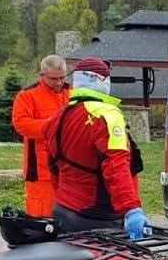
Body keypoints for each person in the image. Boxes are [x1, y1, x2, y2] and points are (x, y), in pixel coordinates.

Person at [44, 57, 149, 238]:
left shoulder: (55, 120)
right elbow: (116, 167)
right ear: (102, 80)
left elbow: (55, 169)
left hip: (63, 211)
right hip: (98, 218)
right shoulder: (107, 116)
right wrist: (131, 209)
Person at [11, 54, 71, 218]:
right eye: (53, 79)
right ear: (42, 75)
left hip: (69, 167)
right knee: (42, 217)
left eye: (62, 77)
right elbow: (21, 125)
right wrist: (53, 125)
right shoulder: (27, 95)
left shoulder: (72, 92)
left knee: (70, 216)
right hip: (40, 171)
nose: (58, 83)